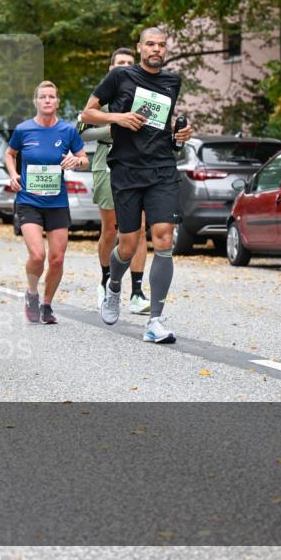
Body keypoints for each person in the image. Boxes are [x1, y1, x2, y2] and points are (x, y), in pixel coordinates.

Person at [81, 27, 193, 343]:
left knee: (163, 238)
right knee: (128, 245)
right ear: (140, 47)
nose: (156, 49)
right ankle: (114, 286)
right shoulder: (120, 78)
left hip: (161, 168)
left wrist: (180, 132)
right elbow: (86, 113)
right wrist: (118, 119)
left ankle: (155, 321)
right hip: (127, 169)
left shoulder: (173, 82)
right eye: (151, 44)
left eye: (162, 45)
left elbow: (165, 122)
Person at [6, 81, 88, 324]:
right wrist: (13, 174)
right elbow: (10, 155)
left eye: (52, 96)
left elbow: (84, 159)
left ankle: (47, 305)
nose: (48, 100)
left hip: (57, 202)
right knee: (38, 254)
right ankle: (32, 293)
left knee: (57, 258)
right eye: (43, 97)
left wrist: (76, 161)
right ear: (36, 101)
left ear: (58, 101)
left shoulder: (68, 131)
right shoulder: (23, 130)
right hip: (29, 201)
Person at [79, 48, 151, 313]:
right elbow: (82, 134)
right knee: (112, 230)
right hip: (107, 167)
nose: (125, 66)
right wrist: (112, 127)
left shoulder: (143, 97)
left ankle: (138, 292)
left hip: (137, 169)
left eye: (129, 63)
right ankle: (106, 280)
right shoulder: (103, 97)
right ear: (111, 69)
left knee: (139, 230)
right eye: (120, 63)